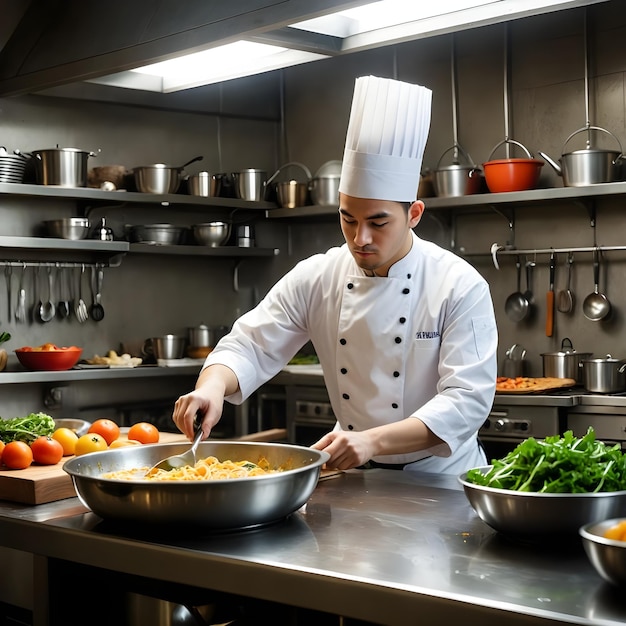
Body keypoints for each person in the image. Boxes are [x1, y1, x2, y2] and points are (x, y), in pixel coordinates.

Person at [173, 75, 498, 474]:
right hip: (350, 474)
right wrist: (211, 387)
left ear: (414, 214)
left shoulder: (458, 285)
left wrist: (372, 440)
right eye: (348, 219)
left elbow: (467, 402)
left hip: (440, 478)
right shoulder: (318, 276)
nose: (360, 238)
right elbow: (249, 345)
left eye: (378, 223)